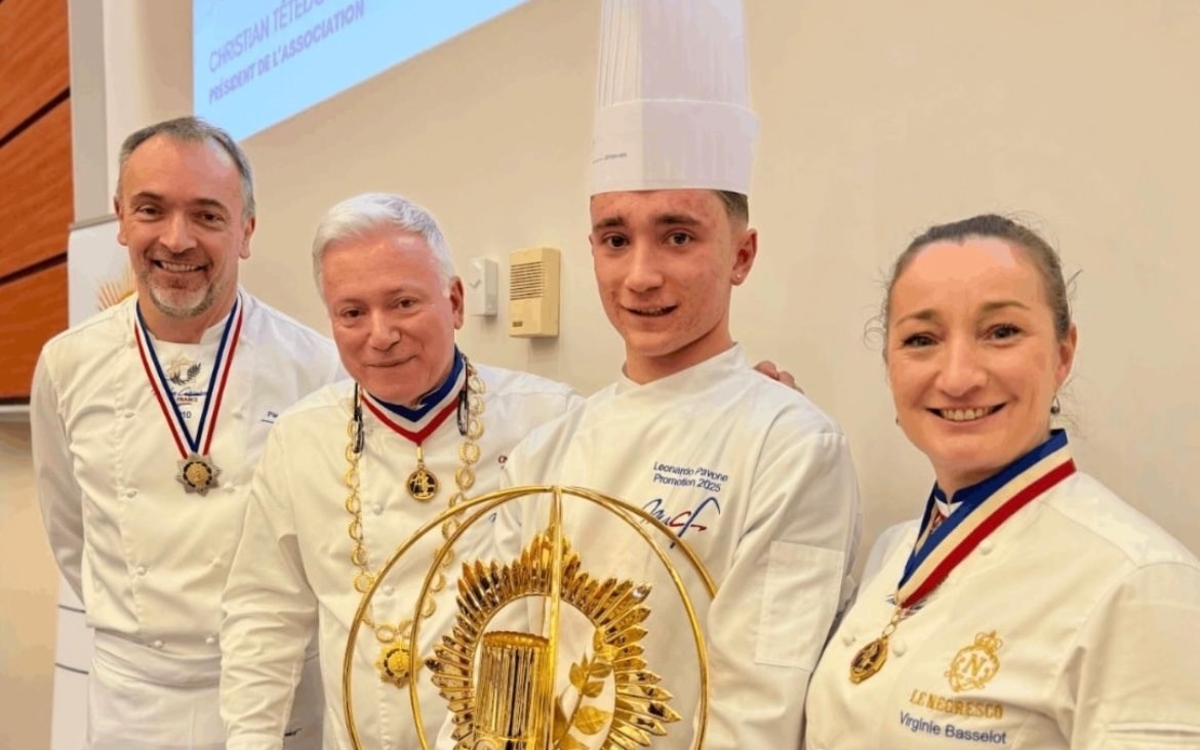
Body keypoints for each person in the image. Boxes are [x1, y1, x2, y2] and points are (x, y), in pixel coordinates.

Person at [465, 2, 863, 749]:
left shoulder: (791, 447)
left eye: (678, 236)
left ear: (741, 255)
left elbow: (759, 714)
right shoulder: (548, 451)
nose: (641, 275)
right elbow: (503, 670)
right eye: (616, 239)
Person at [803, 214, 1200, 749]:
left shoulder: (1143, 585)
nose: (958, 377)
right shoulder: (893, 553)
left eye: (1001, 333)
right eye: (921, 339)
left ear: (1062, 354)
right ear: (890, 366)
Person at [217, 192, 584, 750]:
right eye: (352, 313)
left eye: (404, 303)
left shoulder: (551, 421)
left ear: (455, 302)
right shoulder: (299, 438)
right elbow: (264, 612)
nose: (381, 334)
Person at [30, 116, 340, 750]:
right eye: (151, 209)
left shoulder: (315, 367)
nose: (176, 239)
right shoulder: (66, 364)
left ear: (245, 230)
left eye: (207, 215)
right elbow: (69, 528)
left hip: (277, 691)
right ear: (121, 218)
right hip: (133, 700)